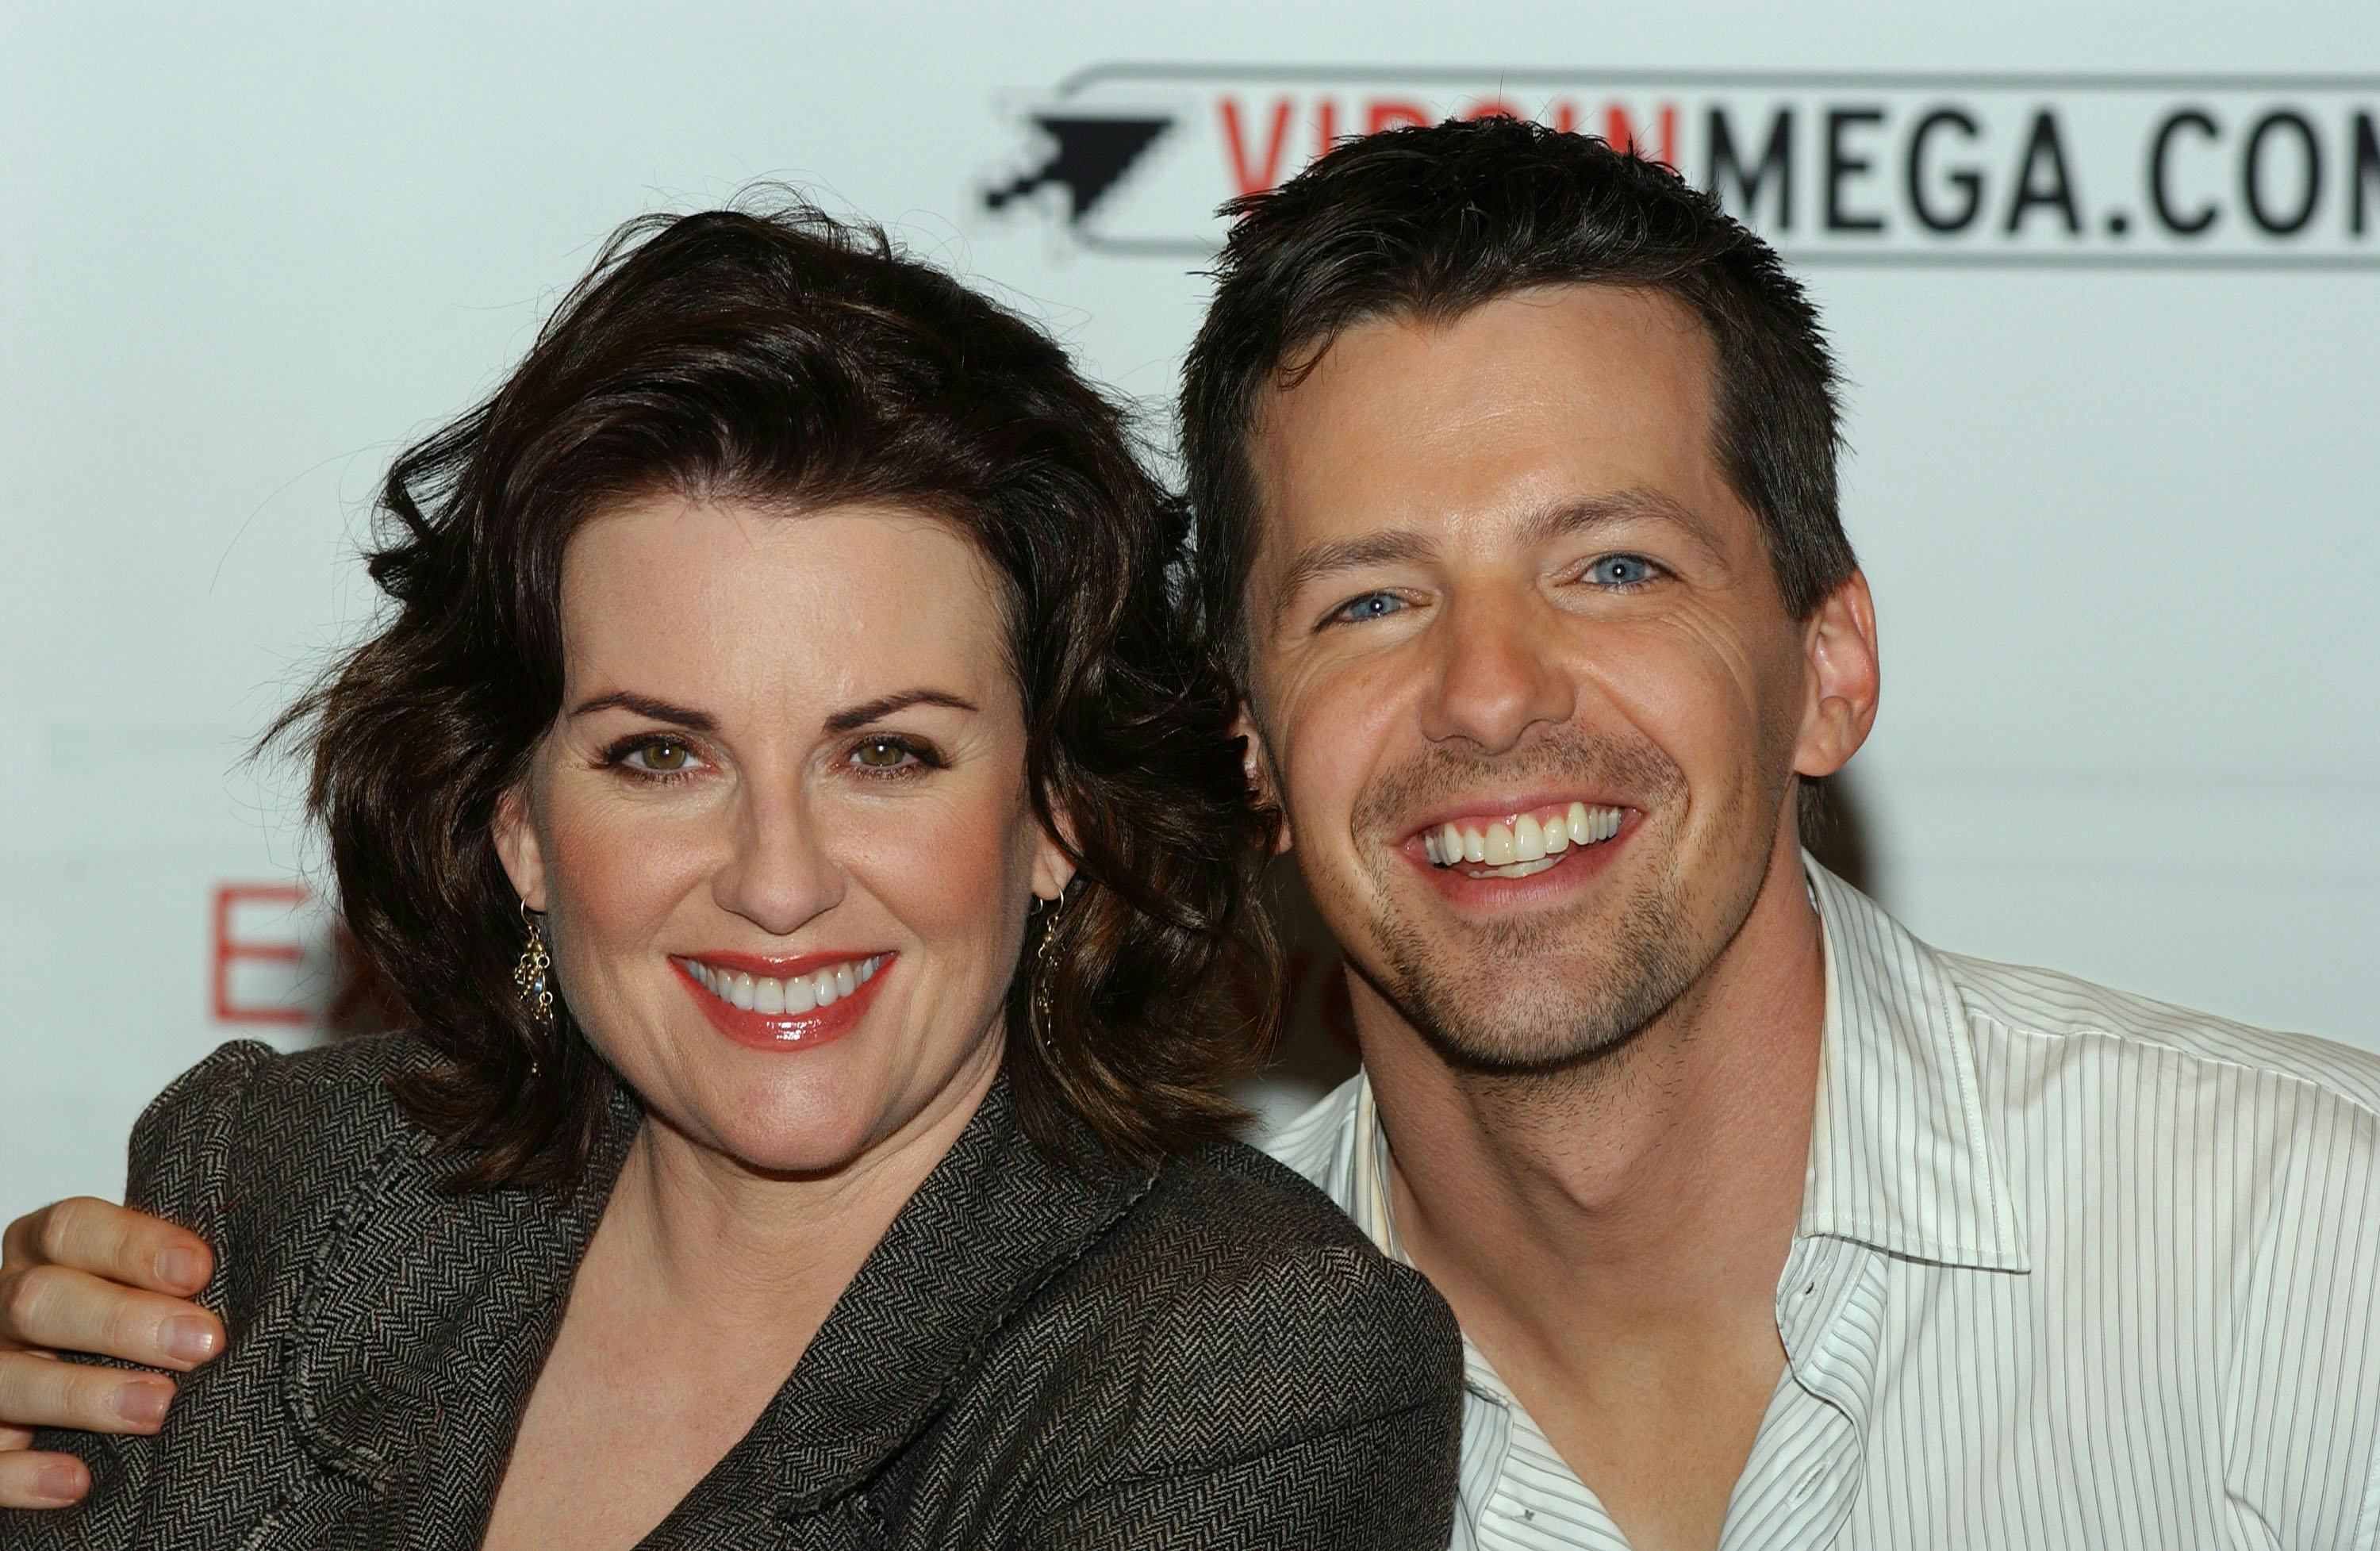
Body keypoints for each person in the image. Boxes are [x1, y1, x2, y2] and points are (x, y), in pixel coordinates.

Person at [10, 117, 2380, 1551]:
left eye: (1611, 567)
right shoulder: (266, 1207)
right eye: (1371, 601)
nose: (1491, 696)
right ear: (1241, 736)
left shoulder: (2312, 1256)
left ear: (1831, 664)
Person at [0, 201, 1461, 1547]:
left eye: (884, 754)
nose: (776, 882)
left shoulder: (1249, 1366)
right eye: (660, 756)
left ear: (1058, 818)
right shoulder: (272, 1192)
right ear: (517, 822)